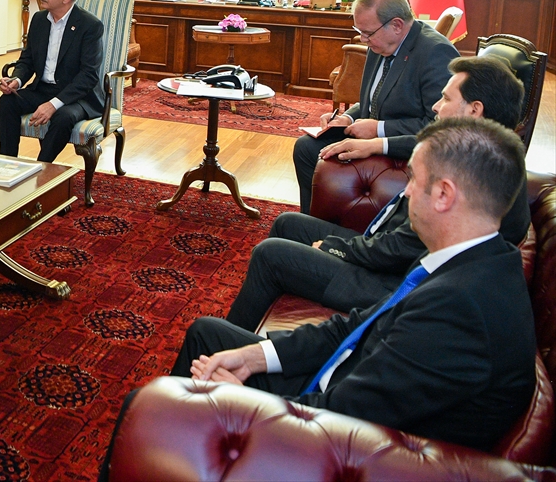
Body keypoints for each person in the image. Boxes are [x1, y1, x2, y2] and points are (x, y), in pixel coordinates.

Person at [170, 118, 534, 454]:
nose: (406, 193)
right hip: (337, 385)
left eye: (413, 180)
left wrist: (245, 403)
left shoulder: (459, 310)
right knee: (208, 335)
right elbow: (355, 326)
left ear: (444, 194)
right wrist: (254, 355)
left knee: (174, 387)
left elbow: (348, 419)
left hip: (342, 444)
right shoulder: (471, 259)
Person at [226, 55, 529, 330]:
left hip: (391, 284)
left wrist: (334, 248)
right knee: (287, 224)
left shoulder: (469, 177)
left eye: (446, 98)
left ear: (474, 110)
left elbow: (399, 250)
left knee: (270, 255)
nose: (436, 107)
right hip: (386, 252)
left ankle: (230, 348)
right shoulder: (482, 154)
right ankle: (257, 316)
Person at [293, 0, 458, 214]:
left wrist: (378, 129)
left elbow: (438, 127)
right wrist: (348, 119)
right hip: (369, 133)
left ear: (397, 25)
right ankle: (314, 220)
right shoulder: (381, 43)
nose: (363, 39)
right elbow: (376, 98)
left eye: (368, 33)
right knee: (306, 148)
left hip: (401, 146)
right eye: (360, 31)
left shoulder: (435, 53)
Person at [0, 0, 104, 162]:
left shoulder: (90, 25)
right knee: (7, 102)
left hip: (77, 97)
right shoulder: (39, 20)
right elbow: (27, 60)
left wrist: (53, 104)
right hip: (43, 89)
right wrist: (16, 80)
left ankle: (42, 168)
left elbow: (88, 75)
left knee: (63, 117)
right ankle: (7, 163)